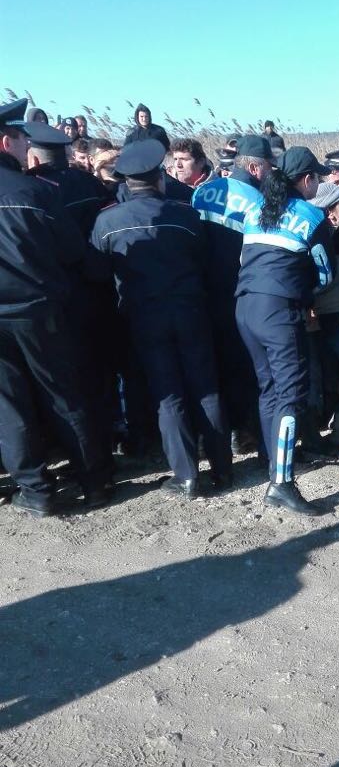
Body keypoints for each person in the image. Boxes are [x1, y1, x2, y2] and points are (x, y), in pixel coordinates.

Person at [89, 139, 232, 498]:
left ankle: (186, 476)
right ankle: (222, 469)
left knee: (169, 396)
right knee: (206, 388)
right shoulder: (185, 216)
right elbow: (204, 259)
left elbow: (95, 272)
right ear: (160, 178)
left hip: (144, 317)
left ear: (126, 182)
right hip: (190, 310)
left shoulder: (107, 222)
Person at [0, 99, 109, 515]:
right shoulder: (36, 192)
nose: (26, 145)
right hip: (39, 310)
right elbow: (70, 251)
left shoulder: (34, 189)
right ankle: (94, 482)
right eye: (22, 138)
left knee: (9, 407)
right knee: (63, 396)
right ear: (6, 141)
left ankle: (37, 491)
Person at [234, 146, 335, 515]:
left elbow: (246, 259)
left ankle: (273, 464)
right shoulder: (312, 215)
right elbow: (325, 274)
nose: (319, 184)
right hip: (279, 310)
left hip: (245, 306)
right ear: (307, 180)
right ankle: (282, 483)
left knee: (269, 389)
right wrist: (307, 291)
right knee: (290, 394)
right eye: (318, 179)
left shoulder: (255, 211)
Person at [191, 134, 276, 457]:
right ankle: (245, 433)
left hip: (202, 291)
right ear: (254, 168)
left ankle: (211, 436)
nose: (270, 173)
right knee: (244, 367)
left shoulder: (203, 191)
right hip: (240, 292)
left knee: (211, 366)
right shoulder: (257, 202)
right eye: (268, 166)